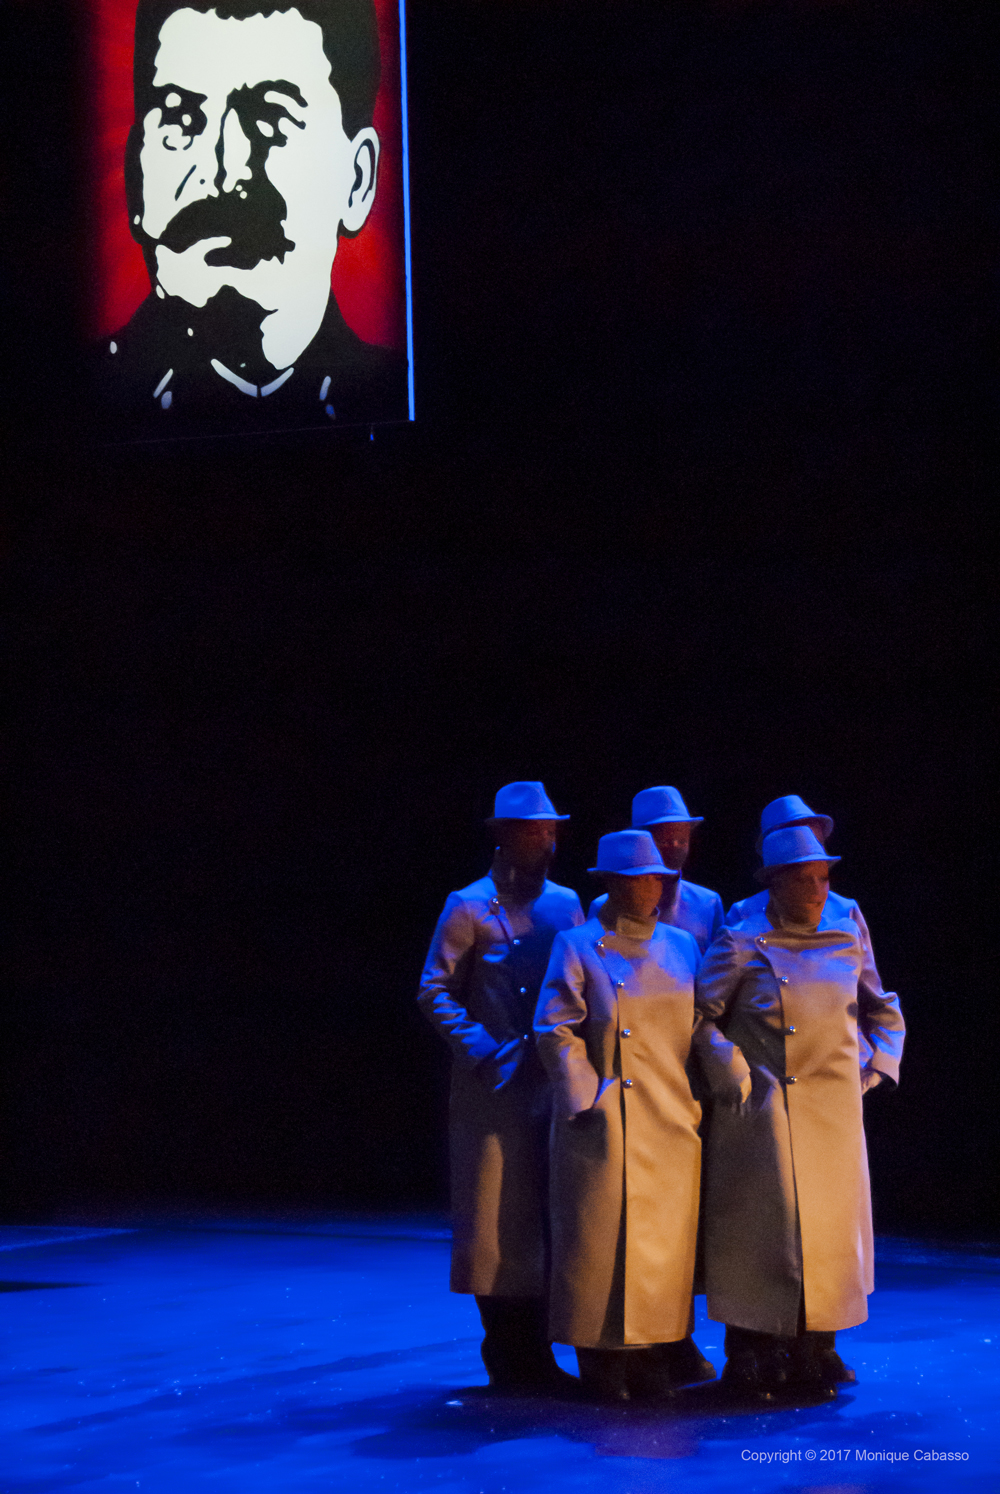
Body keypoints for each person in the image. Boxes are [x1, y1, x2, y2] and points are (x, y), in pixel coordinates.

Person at [97, 0, 407, 432]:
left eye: (272, 118)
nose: (222, 172)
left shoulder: (393, 390)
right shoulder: (72, 399)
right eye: (182, 118)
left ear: (357, 180)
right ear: (135, 176)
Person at [693, 826, 905, 1400]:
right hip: (766, 1107)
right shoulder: (743, 937)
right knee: (766, 1232)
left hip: (833, 1111)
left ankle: (816, 1347)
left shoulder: (846, 929)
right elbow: (699, 1015)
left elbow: (880, 1005)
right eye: (804, 880)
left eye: (823, 878)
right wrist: (732, 1072)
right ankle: (751, 1353)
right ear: (774, 883)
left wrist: (877, 1066)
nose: (817, 891)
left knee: (828, 1233)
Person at [535, 830, 713, 1402]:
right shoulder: (578, 944)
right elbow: (553, 1027)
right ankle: (601, 1356)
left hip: (670, 1114)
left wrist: (712, 1088)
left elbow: (701, 1024)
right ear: (612, 884)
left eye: (658, 878)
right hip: (605, 1116)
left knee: (661, 1246)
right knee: (598, 1242)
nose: (653, 887)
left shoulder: (682, 946)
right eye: (640, 879)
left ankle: (653, 1349)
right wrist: (588, 1096)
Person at [418, 781, 584, 1392]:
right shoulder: (467, 905)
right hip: (491, 1089)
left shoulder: (567, 904)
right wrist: (483, 1048)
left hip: (551, 1082)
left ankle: (538, 1353)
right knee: (495, 1220)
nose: (546, 841)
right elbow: (433, 988)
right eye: (534, 832)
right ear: (504, 836)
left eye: (550, 831)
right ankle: (507, 1351)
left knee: (545, 1216)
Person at [726, 794, 891, 1070]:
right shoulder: (745, 915)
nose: (806, 842)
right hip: (776, 1065)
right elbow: (728, 1003)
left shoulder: (844, 910)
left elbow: (873, 994)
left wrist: (879, 1064)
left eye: (813, 835)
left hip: (841, 1062)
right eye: (794, 833)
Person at [588, 787, 723, 954]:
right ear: (641, 840)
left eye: (682, 841)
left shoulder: (708, 903)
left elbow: (715, 962)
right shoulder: (602, 906)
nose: (675, 848)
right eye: (664, 841)